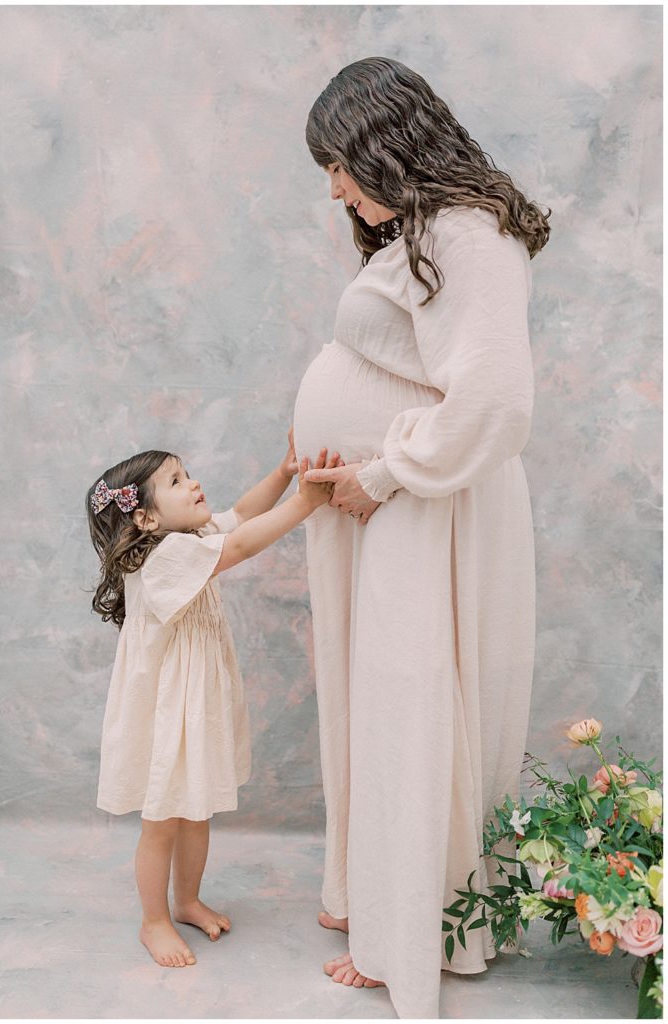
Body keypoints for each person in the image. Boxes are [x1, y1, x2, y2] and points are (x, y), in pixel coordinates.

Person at [293, 57, 550, 1017]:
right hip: (399, 502)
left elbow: (494, 401)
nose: (334, 187)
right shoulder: (428, 227)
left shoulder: (467, 234)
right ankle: (379, 899)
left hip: (429, 505)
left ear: (383, 141)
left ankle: (410, 937)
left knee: (414, 712)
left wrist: (380, 472)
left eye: (339, 164)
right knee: (387, 708)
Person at [85, 433, 336, 968]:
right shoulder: (164, 558)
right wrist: (305, 504)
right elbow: (241, 546)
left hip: (192, 707)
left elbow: (242, 516)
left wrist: (282, 473)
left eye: (187, 472)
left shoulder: (189, 536)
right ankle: (153, 921)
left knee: (195, 811)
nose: (193, 482)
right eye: (176, 481)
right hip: (166, 712)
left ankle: (187, 900)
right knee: (163, 822)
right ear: (146, 520)